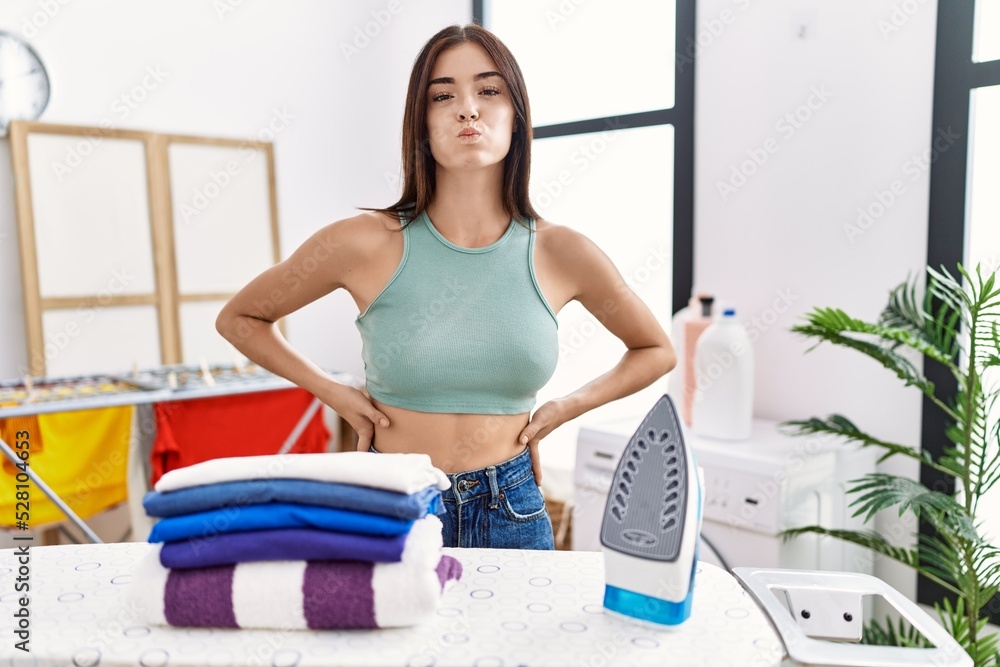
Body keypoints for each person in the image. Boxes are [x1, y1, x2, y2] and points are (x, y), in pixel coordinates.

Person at [215, 23, 676, 550]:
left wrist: (561, 409)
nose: (467, 108)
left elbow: (654, 350)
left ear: (516, 115)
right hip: (393, 506)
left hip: (513, 510)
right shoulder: (361, 243)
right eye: (443, 95)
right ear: (421, 122)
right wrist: (335, 393)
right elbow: (241, 318)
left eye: (488, 89)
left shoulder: (562, 252)